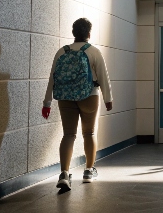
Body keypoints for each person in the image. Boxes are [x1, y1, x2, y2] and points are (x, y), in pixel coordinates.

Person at [42, 18, 113, 191]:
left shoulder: (61, 52)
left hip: (65, 98)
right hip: (89, 96)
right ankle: (89, 171)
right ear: (89, 33)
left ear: (73, 33)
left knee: (68, 135)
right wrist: (108, 99)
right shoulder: (93, 52)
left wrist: (47, 102)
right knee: (88, 133)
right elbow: (103, 77)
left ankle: (64, 174)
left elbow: (52, 78)